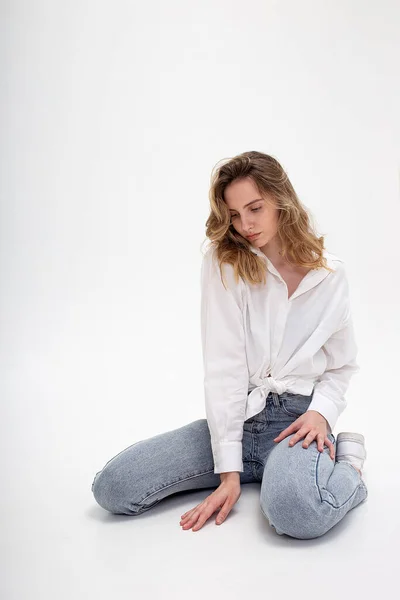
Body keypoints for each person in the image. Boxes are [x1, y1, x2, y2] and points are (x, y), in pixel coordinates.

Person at [91, 150, 368, 539]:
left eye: (255, 208)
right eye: (234, 215)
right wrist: (228, 471)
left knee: (297, 515)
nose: (245, 225)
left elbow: (341, 367)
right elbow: (224, 369)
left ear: (281, 201)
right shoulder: (223, 261)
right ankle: (268, 473)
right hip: (237, 416)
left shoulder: (330, 274)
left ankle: (349, 465)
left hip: (296, 424)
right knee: (113, 488)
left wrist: (322, 413)